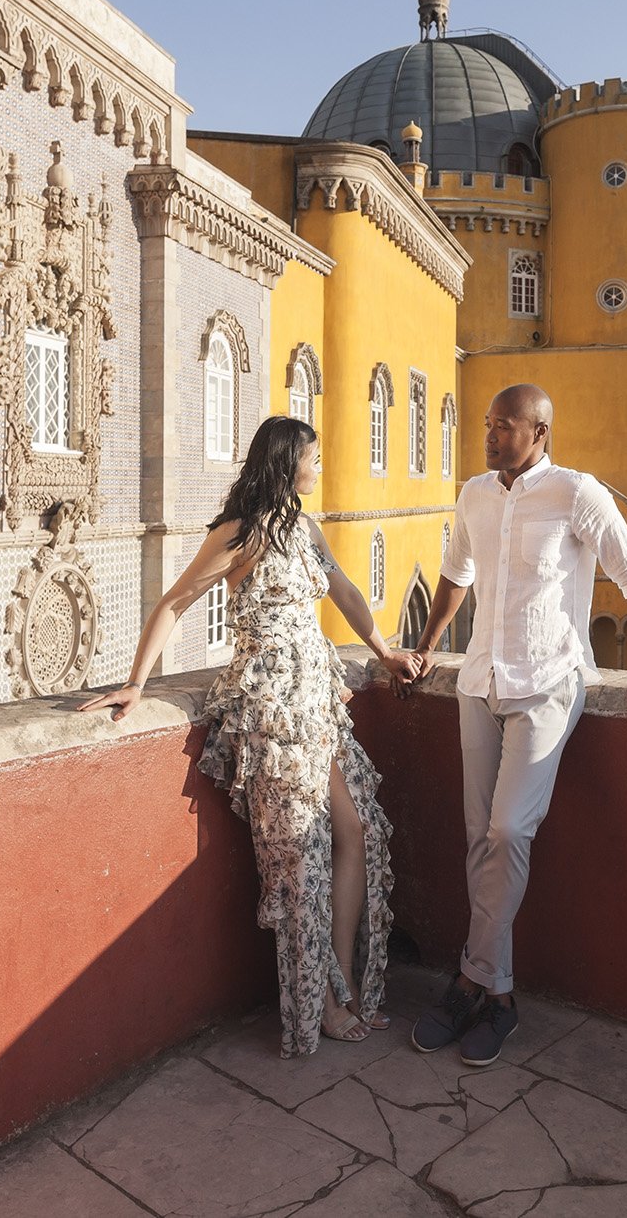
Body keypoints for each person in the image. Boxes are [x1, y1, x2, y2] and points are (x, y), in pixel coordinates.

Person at [79, 416, 421, 1057]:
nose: (319, 469)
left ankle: (343, 980)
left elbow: (345, 592)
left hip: (318, 700)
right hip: (271, 708)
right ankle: (319, 1003)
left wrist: (385, 651)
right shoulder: (240, 533)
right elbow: (175, 602)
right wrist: (136, 684)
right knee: (299, 859)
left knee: (356, 832)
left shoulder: (305, 529)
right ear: (288, 462)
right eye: (313, 458)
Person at [406, 384, 627, 1066]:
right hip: (479, 682)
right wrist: (428, 644)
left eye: (505, 426)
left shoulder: (578, 494)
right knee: (478, 837)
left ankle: (472, 978)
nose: (491, 435)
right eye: (489, 425)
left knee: (507, 829)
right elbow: (453, 575)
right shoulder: (473, 494)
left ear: (541, 431)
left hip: (549, 684)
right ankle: (496, 997)